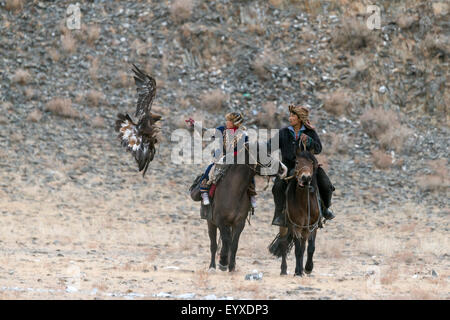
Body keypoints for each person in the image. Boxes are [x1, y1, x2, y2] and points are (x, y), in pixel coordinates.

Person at [269, 104, 335, 227]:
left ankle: (325, 209)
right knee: (277, 187)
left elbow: (318, 149)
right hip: (288, 167)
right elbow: (270, 146)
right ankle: (279, 214)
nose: (290, 118)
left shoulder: (310, 132)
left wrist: (309, 141)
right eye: (290, 115)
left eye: (293, 116)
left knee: (326, 184)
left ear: (300, 118)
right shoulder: (283, 132)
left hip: (309, 167)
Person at [189, 112, 257, 209]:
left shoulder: (243, 134)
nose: (226, 122)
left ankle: (252, 194)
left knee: (249, 172)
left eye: (229, 120)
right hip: (222, 157)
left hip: (237, 159)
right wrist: (195, 125)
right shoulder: (221, 130)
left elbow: (245, 149)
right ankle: (204, 191)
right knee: (210, 170)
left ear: (235, 123)